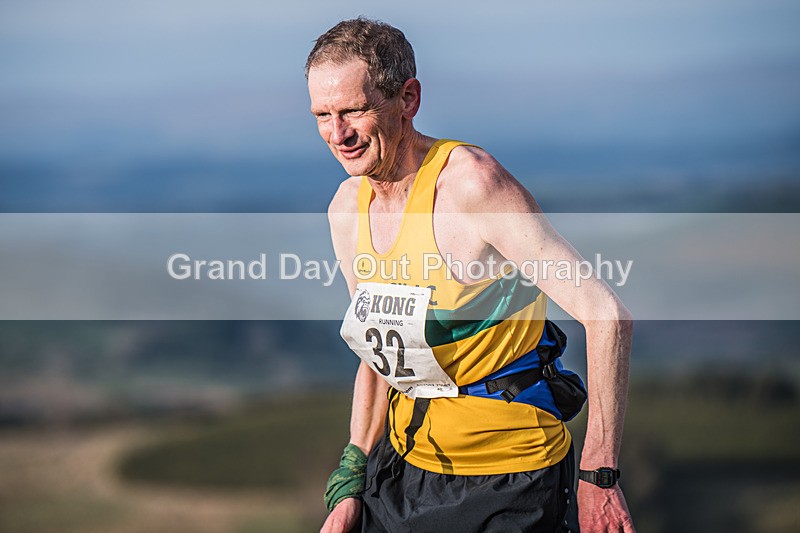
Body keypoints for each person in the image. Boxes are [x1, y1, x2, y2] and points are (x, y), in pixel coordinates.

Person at [307, 18, 635, 533]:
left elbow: (607, 315)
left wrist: (599, 473)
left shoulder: (472, 187)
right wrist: (350, 476)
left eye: (354, 110)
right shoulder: (346, 210)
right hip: (405, 468)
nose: (337, 134)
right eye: (322, 115)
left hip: (511, 476)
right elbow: (380, 356)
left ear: (408, 99)